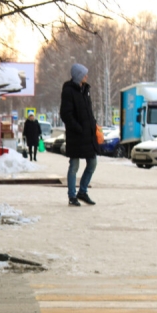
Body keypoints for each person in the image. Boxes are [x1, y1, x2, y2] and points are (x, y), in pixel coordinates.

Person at [60, 63, 98, 206]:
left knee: (92, 163)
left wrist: (93, 125)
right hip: (76, 135)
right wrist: (78, 128)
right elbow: (66, 114)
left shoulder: (85, 90)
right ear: (78, 76)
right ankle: (72, 196)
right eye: (84, 74)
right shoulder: (69, 90)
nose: (86, 76)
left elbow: (88, 111)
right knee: (74, 165)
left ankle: (82, 191)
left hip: (88, 135)